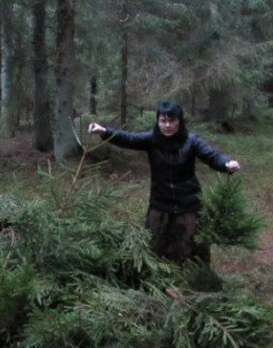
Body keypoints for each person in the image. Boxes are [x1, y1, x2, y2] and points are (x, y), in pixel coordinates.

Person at [88, 101, 241, 266]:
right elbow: (129, 139)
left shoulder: (191, 141)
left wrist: (226, 164)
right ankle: (159, 279)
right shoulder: (151, 139)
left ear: (179, 121)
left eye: (172, 120)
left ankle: (195, 278)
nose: (167, 125)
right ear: (158, 121)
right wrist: (104, 131)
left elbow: (212, 155)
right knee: (155, 246)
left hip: (188, 203)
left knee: (192, 247)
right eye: (163, 121)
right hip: (160, 202)